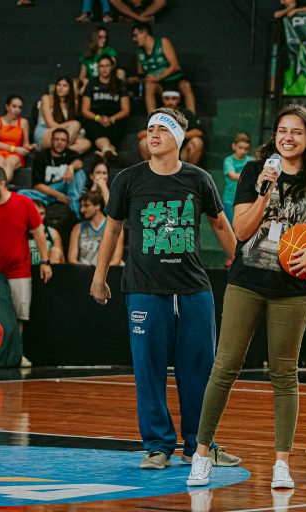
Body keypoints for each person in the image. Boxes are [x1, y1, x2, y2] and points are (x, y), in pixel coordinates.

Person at [185, 104, 306, 489]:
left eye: (296, 132)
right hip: (246, 283)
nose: (288, 138)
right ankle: (201, 455)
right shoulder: (254, 172)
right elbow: (241, 231)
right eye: (282, 131)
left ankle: (281, 464)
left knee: (284, 375)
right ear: (274, 136)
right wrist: (265, 191)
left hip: (292, 290)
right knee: (225, 366)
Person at [90, 107, 239, 470]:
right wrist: (99, 276)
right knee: (148, 369)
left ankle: (200, 445)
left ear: (179, 138)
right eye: (150, 128)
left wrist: (242, 265)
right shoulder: (128, 179)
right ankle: (157, 446)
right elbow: (112, 229)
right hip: (144, 288)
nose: (153, 134)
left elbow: (220, 225)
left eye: (163, 128)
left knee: (199, 371)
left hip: (193, 289)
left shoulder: (199, 179)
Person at [0, 167, 53, 368]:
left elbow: (39, 233)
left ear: (2, 183)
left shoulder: (24, 203)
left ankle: (16, 355)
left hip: (18, 270)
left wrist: (45, 262)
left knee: (19, 316)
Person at [132, 22, 196, 115]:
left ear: (144, 33)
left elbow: (175, 66)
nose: (134, 39)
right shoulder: (139, 53)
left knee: (186, 85)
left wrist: (157, 78)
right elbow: (141, 75)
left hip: (174, 79)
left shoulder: (162, 42)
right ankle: (151, 119)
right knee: (149, 85)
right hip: (160, 85)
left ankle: (192, 117)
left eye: (135, 35)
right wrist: (136, 79)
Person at [22, 128, 86, 219]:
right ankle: (59, 200)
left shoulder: (71, 154)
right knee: (22, 194)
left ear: (67, 143)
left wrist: (71, 167)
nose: (59, 143)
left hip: (67, 187)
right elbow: (37, 185)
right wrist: (57, 195)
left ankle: (74, 209)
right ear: (51, 141)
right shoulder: (41, 156)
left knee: (79, 173)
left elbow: (79, 163)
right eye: (56, 139)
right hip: (49, 191)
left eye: (63, 140)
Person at [81, 54, 130, 160]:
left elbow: (126, 110)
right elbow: (84, 110)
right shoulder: (91, 84)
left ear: (112, 67)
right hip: (95, 118)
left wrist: (112, 118)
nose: (104, 69)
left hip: (115, 119)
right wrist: (98, 118)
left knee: (117, 126)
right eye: (101, 66)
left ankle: (104, 151)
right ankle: (108, 151)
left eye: (107, 66)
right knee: (94, 127)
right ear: (98, 68)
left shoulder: (120, 84)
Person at [138, 91, 203, 164]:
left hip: (181, 150)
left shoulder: (186, 113)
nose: (170, 102)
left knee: (197, 142)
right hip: (160, 149)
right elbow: (141, 133)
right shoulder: (156, 113)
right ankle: (153, 168)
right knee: (143, 143)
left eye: (173, 98)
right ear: (162, 99)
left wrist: (176, 135)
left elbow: (198, 132)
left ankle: (188, 170)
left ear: (178, 100)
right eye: (167, 98)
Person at [0, 95, 37, 182]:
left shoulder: (23, 122)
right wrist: (14, 148)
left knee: (9, 163)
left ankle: (2, 186)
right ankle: (0, 187)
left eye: (20, 107)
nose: (17, 110)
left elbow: (25, 144)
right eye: (14, 106)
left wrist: (30, 147)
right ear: (7, 106)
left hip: (15, 154)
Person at [34, 76, 91, 154]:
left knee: (86, 143)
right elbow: (49, 123)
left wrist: (74, 133)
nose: (60, 88)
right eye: (58, 85)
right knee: (75, 124)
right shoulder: (46, 98)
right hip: (44, 133)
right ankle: (62, 153)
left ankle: (60, 154)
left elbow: (70, 126)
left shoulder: (74, 103)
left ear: (70, 89)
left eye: (64, 86)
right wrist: (69, 132)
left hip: (61, 135)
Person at [69, 189, 123, 266]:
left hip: (109, 271)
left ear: (97, 206)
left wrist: (99, 270)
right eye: (81, 206)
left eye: (86, 206)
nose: (82, 210)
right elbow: (72, 259)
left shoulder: (114, 227)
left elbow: (116, 261)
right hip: (83, 270)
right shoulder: (77, 228)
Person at [78, 26, 125, 90]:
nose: (104, 40)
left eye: (105, 38)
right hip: (93, 83)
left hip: (107, 82)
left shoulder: (110, 51)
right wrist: (85, 81)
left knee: (121, 73)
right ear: (94, 38)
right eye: (100, 37)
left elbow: (113, 69)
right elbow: (82, 76)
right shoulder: (86, 55)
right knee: (82, 90)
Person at [222, 132, 252, 229]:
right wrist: (249, 176)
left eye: (246, 149)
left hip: (245, 200)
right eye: (240, 148)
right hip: (229, 200)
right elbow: (232, 175)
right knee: (232, 227)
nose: (243, 151)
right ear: (234, 146)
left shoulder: (251, 160)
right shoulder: (228, 160)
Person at [29, 199, 65, 265]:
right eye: (35, 213)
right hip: (25, 268)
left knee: (56, 251)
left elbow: (61, 258)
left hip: (48, 267)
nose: (39, 217)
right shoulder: (19, 232)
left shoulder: (52, 232)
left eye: (42, 213)